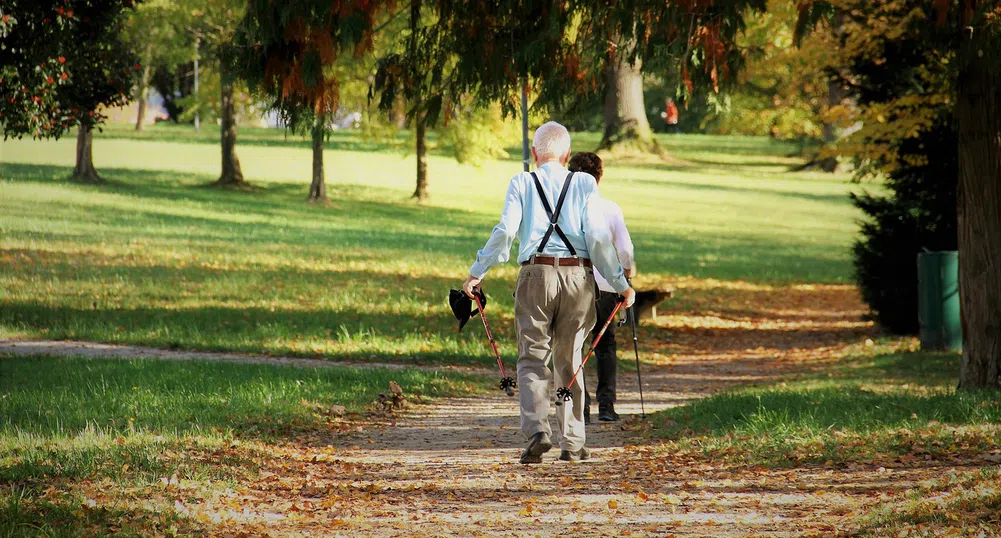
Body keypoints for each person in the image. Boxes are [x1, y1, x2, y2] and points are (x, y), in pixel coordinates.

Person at [462, 121, 636, 464]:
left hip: (535, 275)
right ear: (567, 155)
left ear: (534, 154)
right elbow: (599, 241)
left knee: (531, 357)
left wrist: (476, 273)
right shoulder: (585, 183)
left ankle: (538, 431)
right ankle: (573, 441)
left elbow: (505, 232)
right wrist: (621, 284)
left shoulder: (522, 182)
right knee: (571, 359)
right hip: (578, 277)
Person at [566, 152, 635, 424]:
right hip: (606, 284)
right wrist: (627, 273)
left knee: (575, 344)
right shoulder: (610, 208)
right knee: (605, 344)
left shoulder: (566, 210)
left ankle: (580, 407)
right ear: (600, 177)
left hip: (574, 283)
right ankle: (606, 405)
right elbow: (625, 249)